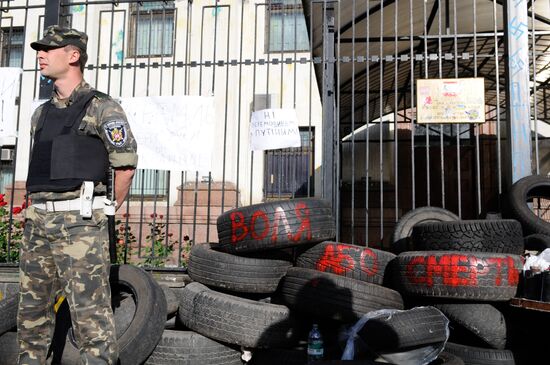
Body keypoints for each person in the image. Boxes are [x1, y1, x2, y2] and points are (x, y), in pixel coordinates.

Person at [17, 25, 138, 365]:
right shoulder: (40, 113)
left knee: (90, 314)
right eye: (39, 49)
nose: (40, 54)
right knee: (31, 311)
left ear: (73, 56)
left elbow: (125, 165)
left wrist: (107, 209)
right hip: (38, 221)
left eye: (49, 49)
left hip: (79, 222)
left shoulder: (102, 108)